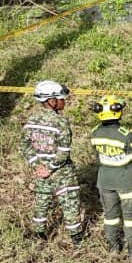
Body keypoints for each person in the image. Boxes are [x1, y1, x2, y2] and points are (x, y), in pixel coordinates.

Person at [23, 80, 83, 244]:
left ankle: (38, 233)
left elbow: (25, 146)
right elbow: (63, 152)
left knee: (41, 201)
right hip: (62, 173)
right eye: (61, 98)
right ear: (52, 101)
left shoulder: (31, 120)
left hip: (41, 172)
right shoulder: (60, 123)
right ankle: (76, 238)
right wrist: (50, 168)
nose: (64, 101)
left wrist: (38, 166)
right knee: (70, 204)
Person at [89, 94, 132, 259]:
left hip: (104, 181)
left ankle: (113, 249)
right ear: (118, 112)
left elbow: (96, 155)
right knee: (131, 218)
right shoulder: (126, 135)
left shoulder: (95, 133)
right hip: (126, 182)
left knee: (110, 217)